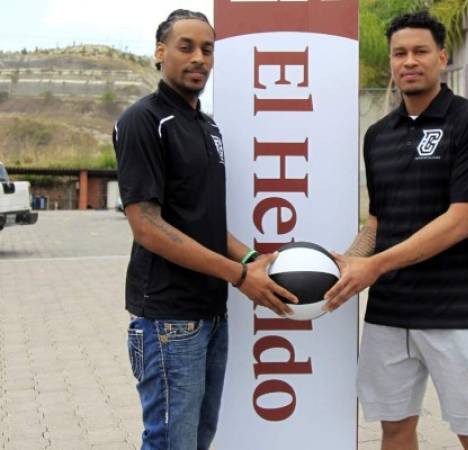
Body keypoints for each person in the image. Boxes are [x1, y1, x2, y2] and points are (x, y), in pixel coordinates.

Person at [112, 9, 297, 450]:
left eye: (207, 49)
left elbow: (202, 221)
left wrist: (250, 259)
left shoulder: (206, 126)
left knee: (197, 440)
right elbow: (148, 227)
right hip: (168, 319)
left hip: (210, 314)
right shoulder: (143, 121)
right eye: (186, 47)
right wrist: (238, 276)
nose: (199, 58)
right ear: (160, 53)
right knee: (170, 443)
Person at [324, 11, 468, 450]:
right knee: (394, 428)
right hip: (389, 312)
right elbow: (377, 221)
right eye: (399, 53)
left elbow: (461, 222)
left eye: (420, 51)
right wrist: (350, 261)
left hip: (454, 311)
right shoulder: (378, 135)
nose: (409, 61)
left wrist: (374, 266)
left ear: (441, 57)